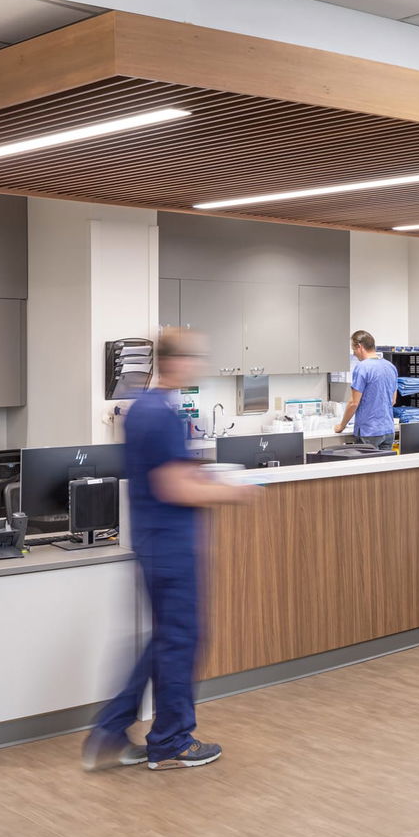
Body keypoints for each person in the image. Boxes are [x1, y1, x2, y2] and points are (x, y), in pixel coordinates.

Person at [83, 327, 258, 771]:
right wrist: (233, 494)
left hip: (157, 542)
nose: (198, 366)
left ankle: (110, 729)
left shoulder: (147, 408)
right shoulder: (158, 414)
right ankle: (171, 741)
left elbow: (172, 473)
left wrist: (205, 479)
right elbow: (173, 485)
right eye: (194, 358)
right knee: (181, 640)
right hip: (171, 547)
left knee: (164, 640)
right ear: (176, 361)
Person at [335, 330, 398, 449]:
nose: (354, 354)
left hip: (369, 432)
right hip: (388, 430)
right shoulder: (390, 367)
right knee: (384, 467)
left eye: (353, 350)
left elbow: (354, 403)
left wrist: (341, 426)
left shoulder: (362, 367)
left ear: (359, 346)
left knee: (367, 467)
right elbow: (393, 400)